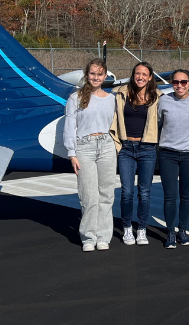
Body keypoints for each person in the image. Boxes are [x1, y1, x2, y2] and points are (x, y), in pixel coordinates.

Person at [63, 59, 117, 252]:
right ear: (87, 75)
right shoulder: (75, 98)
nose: (96, 77)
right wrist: (72, 153)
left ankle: (103, 236)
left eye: (99, 74)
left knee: (106, 194)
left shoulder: (111, 99)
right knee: (88, 195)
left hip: (107, 147)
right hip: (84, 147)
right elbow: (70, 127)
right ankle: (88, 236)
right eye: (92, 74)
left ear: (105, 76)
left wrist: (116, 146)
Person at [110, 62, 163, 246]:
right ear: (133, 75)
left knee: (145, 192)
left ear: (150, 77)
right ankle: (126, 228)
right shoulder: (120, 93)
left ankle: (141, 228)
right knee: (126, 192)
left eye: (144, 74)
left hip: (147, 149)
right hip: (126, 148)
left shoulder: (157, 97)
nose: (140, 77)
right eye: (137, 73)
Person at [157, 69, 189, 249]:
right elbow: (159, 123)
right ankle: (169, 231)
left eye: (184, 82)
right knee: (170, 196)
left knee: (186, 195)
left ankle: (182, 229)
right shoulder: (164, 100)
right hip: (168, 154)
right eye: (176, 82)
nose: (180, 85)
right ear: (171, 83)